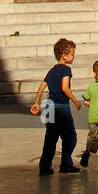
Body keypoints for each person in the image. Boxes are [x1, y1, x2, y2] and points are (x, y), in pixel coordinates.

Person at [30, 38, 82, 175]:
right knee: (70, 136)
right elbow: (65, 88)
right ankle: (66, 163)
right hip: (61, 107)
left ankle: (44, 166)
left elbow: (42, 87)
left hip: (49, 108)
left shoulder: (52, 70)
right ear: (63, 55)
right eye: (71, 54)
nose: (73, 57)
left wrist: (36, 102)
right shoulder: (66, 70)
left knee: (51, 138)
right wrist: (75, 101)